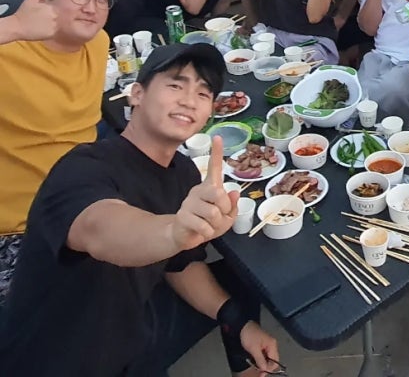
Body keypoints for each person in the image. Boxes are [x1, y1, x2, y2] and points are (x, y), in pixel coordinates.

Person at [0, 43, 281, 375]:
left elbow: (179, 265)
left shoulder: (184, 174)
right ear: (136, 94)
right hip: (52, 361)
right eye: (175, 85)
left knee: (243, 284)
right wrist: (172, 231)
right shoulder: (83, 166)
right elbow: (101, 229)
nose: (189, 100)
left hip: (132, 344)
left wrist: (237, 321)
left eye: (203, 93)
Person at [0, 0, 110, 305]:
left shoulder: (98, 42)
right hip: (20, 229)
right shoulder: (8, 53)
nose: (91, 7)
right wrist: (13, 27)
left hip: (85, 201)